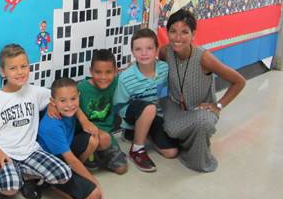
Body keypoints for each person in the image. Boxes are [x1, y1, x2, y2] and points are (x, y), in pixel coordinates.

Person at [0, 44, 71, 199]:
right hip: (4, 153)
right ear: (3, 72)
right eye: (13, 68)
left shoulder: (34, 91)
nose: (20, 72)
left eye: (23, 66)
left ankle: (25, 178)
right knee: (10, 187)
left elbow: (58, 97)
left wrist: (53, 105)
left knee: (63, 174)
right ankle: (1, 192)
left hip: (30, 151)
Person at [159, 9, 246, 172]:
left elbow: (239, 81)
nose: (178, 38)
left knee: (202, 122)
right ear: (167, 33)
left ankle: (192, 151)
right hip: (176, 106)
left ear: (193, 34)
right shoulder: (165, 52)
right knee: (167, 125)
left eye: (184, 32)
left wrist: (218, 106)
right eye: (173, 32)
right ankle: (187, 139)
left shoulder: (204, 57)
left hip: (201, 109)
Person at [114, 28, 178, 172]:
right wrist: (129, 123)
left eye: (149, 48)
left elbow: (163, 96)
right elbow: (119, 105)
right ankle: (136, 149)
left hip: (156, 115)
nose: (144, 53)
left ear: (156, 50)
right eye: (138, 49)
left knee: (171, 152)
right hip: (134, 115)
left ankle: (145, 132)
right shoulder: (126, 77)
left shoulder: (164, 69)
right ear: (132, 52)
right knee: (149, 108)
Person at [38, 78, 103, 199]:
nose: (69, 105)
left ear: (78, 96)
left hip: (66, 151)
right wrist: (94, 181)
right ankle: (52, 183)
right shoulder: (51, 126)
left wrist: (84, 120)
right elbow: (71, 159)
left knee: (94, 139)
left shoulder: (68, 108)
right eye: (63, 101)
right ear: (53, 102)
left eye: (73, 99)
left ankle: (76, 172)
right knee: (93, 196)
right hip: (54, 161)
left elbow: (73, 106)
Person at [77, 49, 128, 174]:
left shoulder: (117, 81)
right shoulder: (81, 88)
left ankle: (99, 154)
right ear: (91, 71)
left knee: (122, 169)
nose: (103, 77)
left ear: (115, 72)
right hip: (87, 134)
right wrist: (84, 121)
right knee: (104, 138)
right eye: (98, 72)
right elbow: (69, 103)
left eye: (108, 72)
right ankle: (87, 155)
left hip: (107, 133)